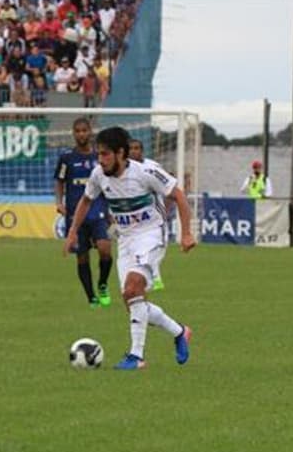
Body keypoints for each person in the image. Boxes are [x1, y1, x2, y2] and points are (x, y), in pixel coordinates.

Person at [64, 126, 196, 371]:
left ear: (121, 153)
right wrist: (72, 232)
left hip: (151, 235)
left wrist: (187, 233)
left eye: (105, 154)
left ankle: (136, 357)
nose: (100, 160)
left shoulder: (146, 172)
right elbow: (86, 200)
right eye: (99, 154)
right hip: (125, 240)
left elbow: (178, 195)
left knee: (134, 287)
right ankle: (179, 332)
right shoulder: (98, 175)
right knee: (132, 300)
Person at [55, 117, 112, 308]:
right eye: (77, 131)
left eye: (84, 130)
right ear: (73, 133)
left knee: (105, 249)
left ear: (90, 132)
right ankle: (91, 296)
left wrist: (111, 207)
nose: (81, 134)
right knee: (82, 256)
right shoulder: (67, 158)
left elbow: (108, 182)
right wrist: (59, 202)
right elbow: (59, 181)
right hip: (75, 212)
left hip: (97, 210)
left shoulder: (99, 157)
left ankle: (103, 284)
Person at [128, 138, 169, 291]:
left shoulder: (152, 167)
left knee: (156, 247)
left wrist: (167, 208)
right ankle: (152, 277)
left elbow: (170, 188)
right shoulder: (121, 170)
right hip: (133, 220)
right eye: (131, 148)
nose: (134, 151)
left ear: (142, 151)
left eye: (137, 148)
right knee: (137, 250)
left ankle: (155, 276)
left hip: (155, 217)